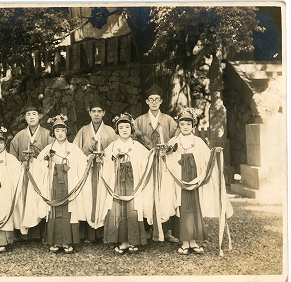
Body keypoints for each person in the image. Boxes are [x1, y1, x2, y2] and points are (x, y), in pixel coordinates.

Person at [160, 108, 233, 254]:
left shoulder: (198, 141)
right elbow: (167, 162)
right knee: (183, 209)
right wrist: (164, 155)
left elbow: (207, 159)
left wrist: (214, 153)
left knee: (194, 208)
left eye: (188, 123)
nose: (185, 126)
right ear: (178, 125)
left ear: (193, 126)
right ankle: (185, 242)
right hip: (179, 180)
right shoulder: (173, 141)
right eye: (182, 123)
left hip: (195, 180)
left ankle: (193, 242)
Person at [33, 114, 90, 254]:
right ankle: (55, 242)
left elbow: (83, 163)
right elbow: (39, 165)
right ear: (53, 133)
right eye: (57, 131)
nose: (59, 133)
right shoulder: (48, 149)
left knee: (68, 212)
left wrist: (91, 158)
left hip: (69, 185)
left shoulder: (74, 148)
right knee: (54, 212)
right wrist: (42, 163)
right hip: (53, 185)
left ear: (66, 132)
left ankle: (67, 242)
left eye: (62, 130)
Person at [98, 113, 154, 254]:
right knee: (119, 210)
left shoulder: (138, 146)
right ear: (117, 130)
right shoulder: (112, 146)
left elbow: (147, 161)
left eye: (127, 127)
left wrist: (155, 154)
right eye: (121, 127)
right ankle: (122, 241)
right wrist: (100, 160)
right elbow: (105, 162)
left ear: (131, 129)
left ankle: (133, 242)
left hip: (133, 183)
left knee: (133, 210)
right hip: (117, 183)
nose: (124, 130)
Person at [133, 83, 179, 243]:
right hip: (145, 163)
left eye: (156, 100)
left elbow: (176, 138)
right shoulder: (139, 121)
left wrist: (169, 148)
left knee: (165, 193)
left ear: (160, 102)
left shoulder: (168, 120)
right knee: (146, 193)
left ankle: (166, 231)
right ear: (147, 102)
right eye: (151, 100)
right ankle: (146, 229)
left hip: (164, 162)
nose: (153, 102)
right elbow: (133, 140)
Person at [73, 96, 117, 243]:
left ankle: (103, 234)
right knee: (87, 200)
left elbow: (115, 151)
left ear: (104, 113)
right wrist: (87, 156)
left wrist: (104, 156)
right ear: (89, 113)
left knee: (103, 199)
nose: (96, 114)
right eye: (93, 111)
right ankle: (89, 235)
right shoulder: (83, 131)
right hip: (88, 171)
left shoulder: (110, 131)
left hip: (104, 171)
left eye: (99, 111)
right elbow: (75, 151)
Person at [9, 101, 53, 240]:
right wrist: (19, 166)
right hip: (24, 173)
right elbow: (12, 156)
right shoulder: (20, 136)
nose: (31, 117)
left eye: (34, 114)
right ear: (25, 118)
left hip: (40, 173)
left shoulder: (47, 134)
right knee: (23, 199)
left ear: (40, 116)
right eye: (28, 114)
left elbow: (52, 154)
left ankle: (40, 233)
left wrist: (42, 164)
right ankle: (23, 234)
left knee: (39, 199)